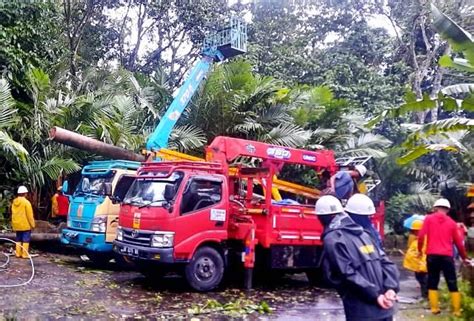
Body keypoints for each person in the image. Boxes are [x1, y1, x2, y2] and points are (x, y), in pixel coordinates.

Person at [315, 195, 400, 321]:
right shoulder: (366, 234)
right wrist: (390, 289)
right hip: (384, 308)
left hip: (362, 312)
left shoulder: (333, 238)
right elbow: (386, 263)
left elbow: (345, 274)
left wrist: (376, 295)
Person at [418, 198, 470, 316]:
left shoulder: (428, 219)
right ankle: (456, 311)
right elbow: (458, 242)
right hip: (447, 256)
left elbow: (421, 236)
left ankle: (435, 308)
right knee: (452, 281)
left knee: (433, 280)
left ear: (435, 208)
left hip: (432, 255)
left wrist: (420, 250)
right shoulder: (451, 223)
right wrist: (464, 257)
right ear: (448, 209)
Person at [403, 219, 428, 299]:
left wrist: (422, 267)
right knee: (420, 279)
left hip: (422, 266)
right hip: (417, 266)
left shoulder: (425, 239)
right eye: (413, 231)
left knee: (424, 280)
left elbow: (424, 254)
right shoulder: (416, 239)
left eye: (415, 230)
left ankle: (425, 296)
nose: (414, 232)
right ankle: (424, 295)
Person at [11, 185, 35, 259]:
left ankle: (18, 253)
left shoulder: (14, 202)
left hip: (17, 224)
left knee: (18, 239)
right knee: (25, 240)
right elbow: (29, 215)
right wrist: (32, 225)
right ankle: (24, 254)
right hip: (25, 225)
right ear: (25, 193)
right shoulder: (26, 203)